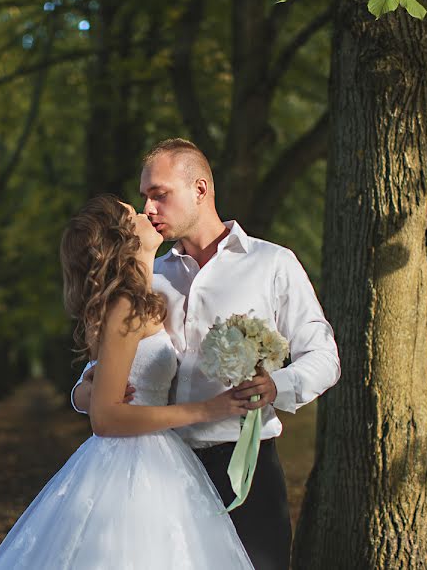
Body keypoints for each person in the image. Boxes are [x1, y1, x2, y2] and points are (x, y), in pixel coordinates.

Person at [72, 138, 341, 570]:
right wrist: (82, 393)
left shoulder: (273, 264)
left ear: (200, 189)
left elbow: (324, 356)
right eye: (144, 197)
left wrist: (277, 385)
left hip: (246, 470)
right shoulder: (147, 275)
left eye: (159, 194)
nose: (149, 209)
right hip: (161, 475)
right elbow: (98, 374)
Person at [0, 194, 254, 568]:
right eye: (134, 213)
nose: (146, 212)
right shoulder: (125, 307)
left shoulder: (139, 298)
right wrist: (207, 409)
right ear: (123, 238)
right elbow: (106, 419)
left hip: (161, 457)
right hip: (133, 462)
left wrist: (85, 390)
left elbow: (102, 382)